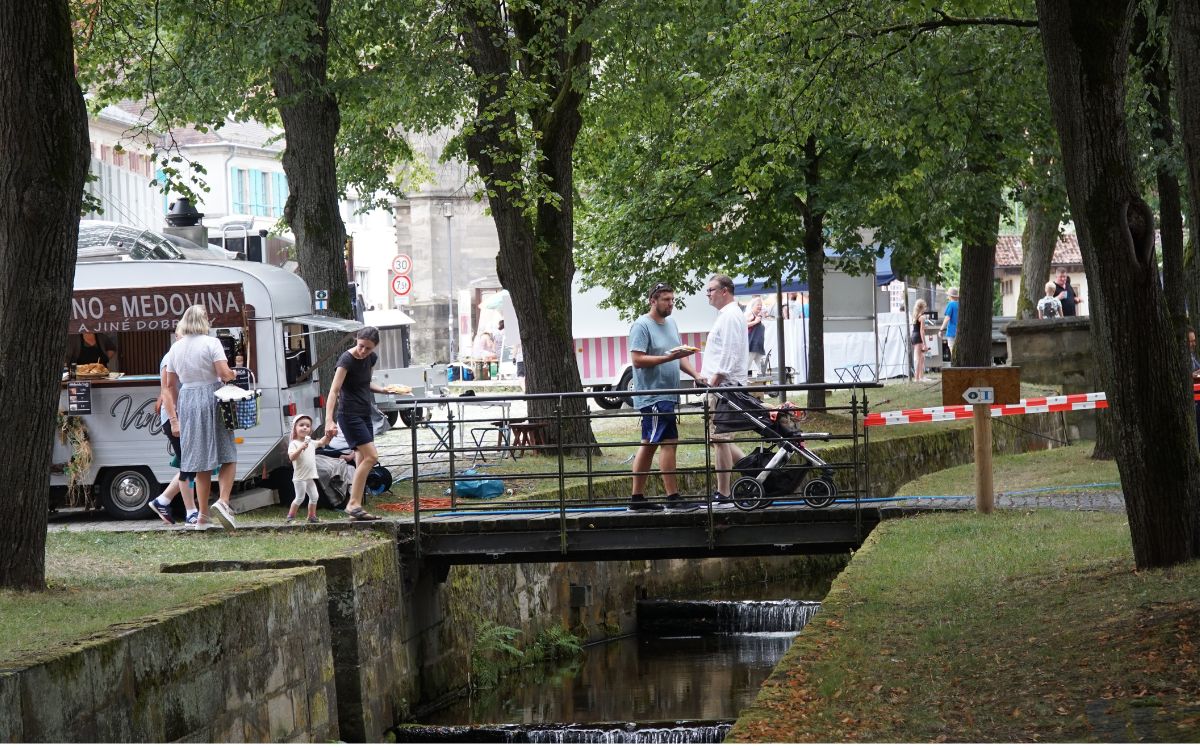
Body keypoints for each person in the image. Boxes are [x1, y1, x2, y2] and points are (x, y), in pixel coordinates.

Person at [627, 283, 702, 512]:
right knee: (663, 443)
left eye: (672, 299)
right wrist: (667, 358)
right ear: (653, 301)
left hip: (669, 394)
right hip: (653, 396)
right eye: (666, 300)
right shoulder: (642, 325)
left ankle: (638, 499)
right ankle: (670, 497)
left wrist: (697, 375)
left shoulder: (672, 324)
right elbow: (637, 360)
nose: (671, 304)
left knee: (651, 444)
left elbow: (677, 355)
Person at [163, 305, 239, 531]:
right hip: (212, 395)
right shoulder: (211, 342)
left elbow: (169, 385)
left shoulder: (175, 348)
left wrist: (176, 414)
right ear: (204, 320)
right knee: (228, 453)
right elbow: (224, 374)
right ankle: (223, 502)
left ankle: (202, 517)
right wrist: (233, 373)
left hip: (187, 398)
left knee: (199, 462)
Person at [325, 326, 391, 522]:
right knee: (372, 456)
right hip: (349, 414)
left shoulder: (371, 359)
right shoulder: (346, 359)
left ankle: (357, 506)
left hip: (364, 413)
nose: (363, 352)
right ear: (356, 340)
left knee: (361, 460)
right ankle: (352, 504)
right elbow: (334, 391)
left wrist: (384, 390)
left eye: (368, 348)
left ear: (375, 348)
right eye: (361, 346)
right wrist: (329, 420)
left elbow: (364, 383)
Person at [698, 274, 748, 503]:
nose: (708, 294)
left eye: (711, 290)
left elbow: (729, 351)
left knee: (720, 438)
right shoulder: (729, 314)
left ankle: (724, 492)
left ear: (724, 291)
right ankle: (755, 471)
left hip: (725, 388)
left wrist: (715, 380)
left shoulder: (729, 316)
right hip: (724, 386)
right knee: (720, 438)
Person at [146, 334, 198, 526]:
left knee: (191, 463)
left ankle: (163, 500)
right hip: (175, 419)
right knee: (189, 464)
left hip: (182, 418)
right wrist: (175, 421)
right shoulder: (170, 358)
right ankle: (190, 511)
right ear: (177, 337)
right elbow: (166, 391)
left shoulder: (181, 356)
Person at [286, 415, 333, 524]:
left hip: (309, 477)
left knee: (315, 496)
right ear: (295, 428)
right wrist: (301, 448)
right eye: (301, 425)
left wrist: (328, 435)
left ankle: (311, 516)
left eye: (307, 426)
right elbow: (292, 457)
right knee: (300, 498)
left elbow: (322, 442)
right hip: (300, 478)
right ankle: (290, 517)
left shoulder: (311, 442)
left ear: (310, 429)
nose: (305, 428)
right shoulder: (294, 443)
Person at [911, 299, 932, 383]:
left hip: (914, 336)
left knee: (921, 358)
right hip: (918, 337)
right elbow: (921, 331)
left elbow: (918, 328)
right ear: (923, 307)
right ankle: (917, 378)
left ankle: (921, 376)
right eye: (925, 307)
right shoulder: (922, 317)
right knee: (919, 358)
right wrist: (924, 344)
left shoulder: (915, 316)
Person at [745, 295, 767, 376]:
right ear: (753, 306)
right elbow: (743, 325)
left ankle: (765, 384)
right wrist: (755, 322)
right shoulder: (750, 314)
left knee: (763, 367)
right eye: (758, 304)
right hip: (752, 345)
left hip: (758, 346)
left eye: (761, 304)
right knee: (746, 366)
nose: (760, 306)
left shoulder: (758, 316)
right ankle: (740, 386)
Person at [938, 287, 959, 359]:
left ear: (950, 296)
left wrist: (941, 329)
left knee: (953, 353)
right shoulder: (960, 304)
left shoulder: (951, 304)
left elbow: (947, 318)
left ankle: (955, 368)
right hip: (960, 332)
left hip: (952, 332)